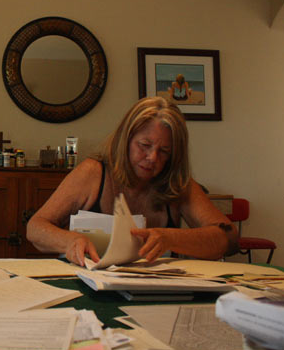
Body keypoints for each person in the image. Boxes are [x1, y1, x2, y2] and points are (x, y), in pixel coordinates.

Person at [26, 97, 238, 266]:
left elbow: (228, 238)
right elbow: (35, 227)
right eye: (144, 145)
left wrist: (170, 238)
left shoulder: (177, 183)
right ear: (125, 140)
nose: (153, 158)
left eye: (164, 151)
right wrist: (69, 241)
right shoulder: (93, 173)